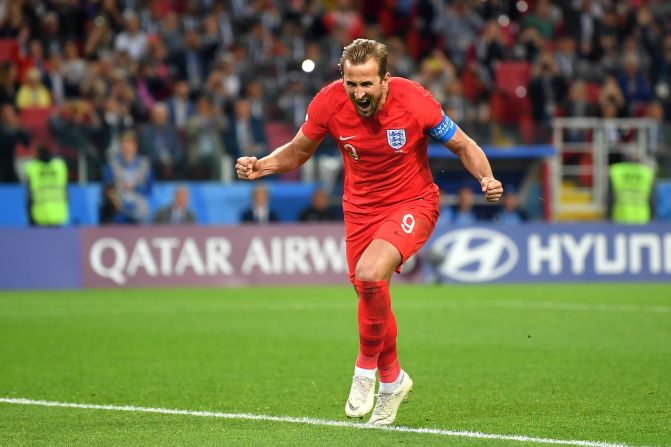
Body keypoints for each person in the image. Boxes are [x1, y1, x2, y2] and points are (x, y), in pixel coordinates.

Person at [236, 39, 502, 426]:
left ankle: (364, 372)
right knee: (370, 293)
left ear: (385, 80)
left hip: (413, 203)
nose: (359, 93)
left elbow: (463, 145)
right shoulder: (327, 103)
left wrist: (486, 177)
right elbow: (298, 150)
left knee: (370, 273)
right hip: (359, 210)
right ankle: (393, 380)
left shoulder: (416, 102)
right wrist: (262, 165)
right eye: (351, 84)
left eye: (366, 84)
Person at [102, 130, 153, 224]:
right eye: (124, 145)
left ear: (135, 146)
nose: (127, 148)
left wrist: (135, 188)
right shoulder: (112, 165)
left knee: (143, 214)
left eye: (130, 144)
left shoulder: (145, 165)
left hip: (138, 205)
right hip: (118, 205)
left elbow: (149, 190)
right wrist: (116, 197)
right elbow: (107, 188)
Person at [24, 145, 69, 226]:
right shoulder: (60, 166)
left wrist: (29, 216)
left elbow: (29, 194)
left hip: (38, 215)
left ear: (38, 154)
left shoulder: (32, 168)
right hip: (58, 214)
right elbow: (65, 190)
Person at [607, 160, 655, 224]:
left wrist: (608, 215)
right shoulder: (647, 173)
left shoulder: (616, 171)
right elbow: (652, 198)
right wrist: (652, 216)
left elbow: (610, 197)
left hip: (620, 217)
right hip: (642, 217)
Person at [0, 103, 30, 183]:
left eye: (12, 113)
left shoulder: (15, 127)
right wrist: (13, 130)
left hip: (10, 164)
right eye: (8, 114)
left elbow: (26, 143)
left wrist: (19, 129)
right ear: (2, 116)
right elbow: (5, 142)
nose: (11, 116)